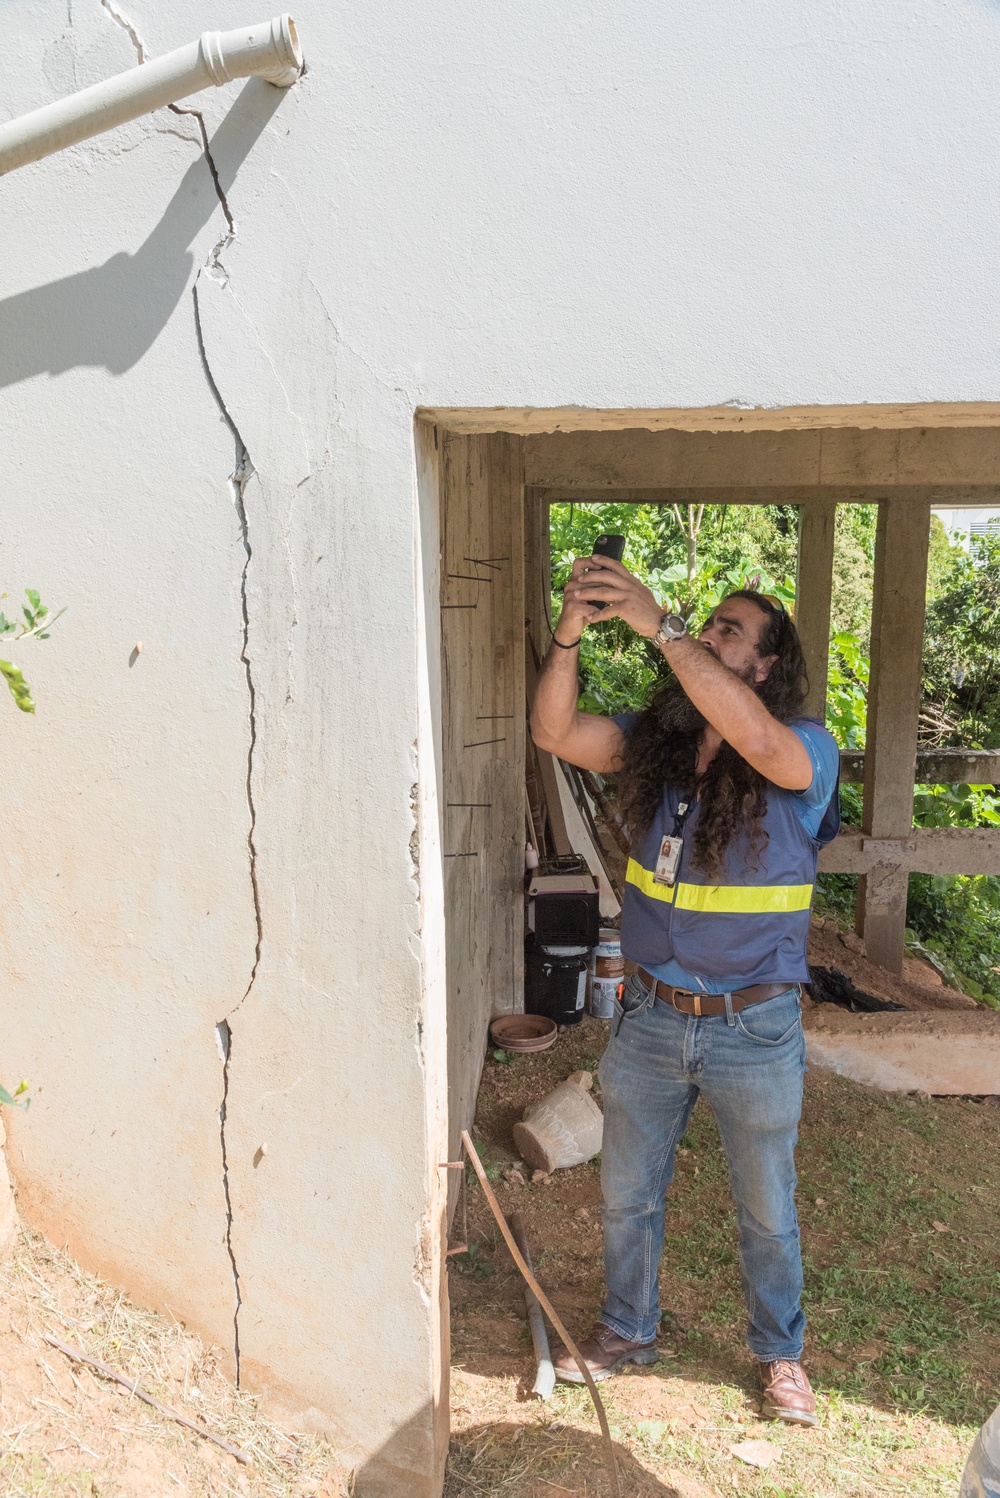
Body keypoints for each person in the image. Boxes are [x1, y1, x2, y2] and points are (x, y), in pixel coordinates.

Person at [529, 550, 841, 1427]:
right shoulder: (659, 745)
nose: (709, 634)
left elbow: (761, 743)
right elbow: (554, 733)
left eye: (729, 632)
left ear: (766, 667)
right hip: (653, 1017)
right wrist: (568, 633)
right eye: (707, 623)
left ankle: (780, 1356)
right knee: (629, 1191)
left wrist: (660, 626)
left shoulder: (804, 747)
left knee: (766, 1209)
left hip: (755, 1026)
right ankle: (628, 1327)